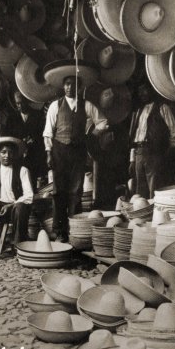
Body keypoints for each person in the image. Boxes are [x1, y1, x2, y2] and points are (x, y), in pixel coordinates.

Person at [43, 74, 108, 241]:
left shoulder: (86, 105)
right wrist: (49, 153)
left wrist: (91, 134)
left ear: (79, 88)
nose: (69, 87)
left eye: (73, 84)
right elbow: (48, 132)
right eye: (67, 84)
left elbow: (103, 122)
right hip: (59, 151)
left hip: (78, 152)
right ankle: (59, 232)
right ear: (63, 86)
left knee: (76, 191)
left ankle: (75, 231)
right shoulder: (55, 106)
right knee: (58, 192)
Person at [128, 81, 175, 198]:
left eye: (144, 90)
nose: (142, 94)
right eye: (140, 91)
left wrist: (168, 150)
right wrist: (132, 159)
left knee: (154, 186)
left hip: (153, 152)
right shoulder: (138, 112)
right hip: (139, 152)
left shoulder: (162, 108)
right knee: (139, 188)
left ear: (152, 90)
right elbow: (134, 137)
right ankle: (142, 212)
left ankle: (156, 214)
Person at [6, 89, 47, 183]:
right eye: (17, 104)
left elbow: (44, 134)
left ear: (27, 101)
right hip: (18, 158)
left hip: (35, 157)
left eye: (22, 103)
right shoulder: (11, 118)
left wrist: (34, 140)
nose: (20, 106)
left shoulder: (38, 115)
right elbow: (8, 137)